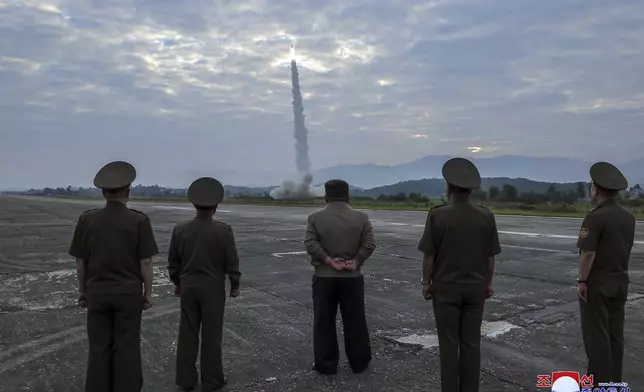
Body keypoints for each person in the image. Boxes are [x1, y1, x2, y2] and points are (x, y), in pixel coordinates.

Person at [68, 160, 159, 392]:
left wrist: (83, 290)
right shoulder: (139, 220)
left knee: (99, 348)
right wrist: (147, 293)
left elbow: (81, 262)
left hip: (97, 293)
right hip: (128, 295)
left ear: (103, 192)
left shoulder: (87, 219)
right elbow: (146, 261)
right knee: (127, 348)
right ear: (128, 190)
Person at [417, 157, 501, 392]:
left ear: (449, 187)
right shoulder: (486, 216)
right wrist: (488, 282)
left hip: (446, 289)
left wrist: (426, 283)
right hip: (476, 288)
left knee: (448, 344)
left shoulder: (437, 215)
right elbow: (490, 257)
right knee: (472, 343)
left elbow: (429, 256)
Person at [167, 177, 241, 392]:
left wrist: (178, 282)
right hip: (213, 288)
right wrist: (235, 283)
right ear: (216, 207)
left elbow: (173, 261)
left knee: (187, 333)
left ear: (194, 204)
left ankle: (185, 380)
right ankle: (212, 380)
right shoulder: (223, 230)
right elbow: (231, 261)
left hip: (188, 286)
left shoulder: (180, 229)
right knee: (211, 335)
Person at [303, 179, 376, 375]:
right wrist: (356, 261)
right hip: (352, 277)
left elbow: (310, 243)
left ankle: (326, 364)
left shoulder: (314, 218)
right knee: (356, 320)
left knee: (324, 321)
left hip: (324, 277)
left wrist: (328, 260)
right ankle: (359, 362)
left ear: (326, 196)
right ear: (348, 196)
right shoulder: (361, 217)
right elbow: (369, 243)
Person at [576, 162, 635, 385]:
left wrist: (582, 281)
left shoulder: (595, 217)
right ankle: (614, 384)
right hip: (620, 281)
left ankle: (598, 385)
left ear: (596, 189)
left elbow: (588, 254)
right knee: (615, 337)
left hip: (598, 284)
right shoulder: (628, 216)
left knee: (597, 338)